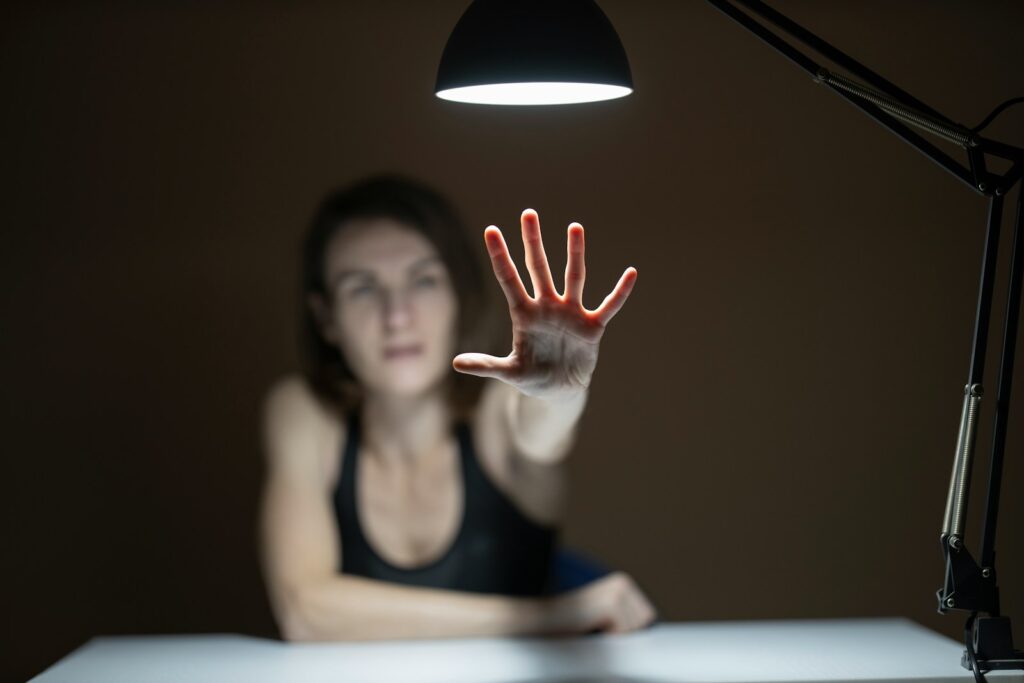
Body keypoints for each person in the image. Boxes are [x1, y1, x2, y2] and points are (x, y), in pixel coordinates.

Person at [260, 175, 656, 641]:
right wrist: (553, 616)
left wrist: (559, 394)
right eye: (362, 288)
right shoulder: (304, 414)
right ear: (327, 318)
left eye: (424, 280)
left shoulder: (496, 412)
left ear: (457, 296)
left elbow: (540, 433)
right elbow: (305, 612)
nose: (397, 316)